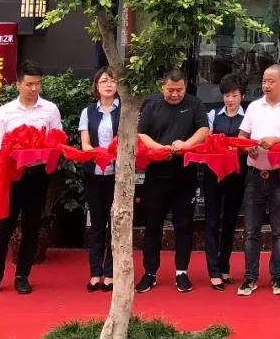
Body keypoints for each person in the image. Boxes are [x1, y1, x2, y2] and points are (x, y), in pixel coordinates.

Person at [0, 60, 63, 298]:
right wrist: (10, 151)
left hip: (37, 174)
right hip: (11, 173)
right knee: (4, 227)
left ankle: (22, 276)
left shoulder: (50, 109)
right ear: (18, 84)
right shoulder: (6, 111)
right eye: (29, 84)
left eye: (38, 84)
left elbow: (57, 135)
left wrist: (48, 148)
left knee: (31, 225)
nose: (34, 88)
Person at [136, 69, 210, 293]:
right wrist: (160, 149)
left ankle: (182, 271)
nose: (175, 94)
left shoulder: (195, 104)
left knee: (184, 225)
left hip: (185, 174)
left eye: (179, 90)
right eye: (170, 90)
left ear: (185, 87)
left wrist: (186, 144)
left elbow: (204, 130)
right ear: (163, 87)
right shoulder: (152, 105)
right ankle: (150, 272)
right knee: (153, 225)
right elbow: (141, 134)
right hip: (156, 174)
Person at [236, 64, 280, 297]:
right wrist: (247, 148)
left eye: (271, 81)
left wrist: (277, 140)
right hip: (255, 175)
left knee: (279, 231)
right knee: (251, 230)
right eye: (264, 81)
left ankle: (277, 277)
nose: (266, 85)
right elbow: (242, 136)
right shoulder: (254, 107)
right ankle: (250, 277)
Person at [203, 73, 247, 290]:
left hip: (236, 174)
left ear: (242, 96)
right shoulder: (213, 116)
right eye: (227, 95)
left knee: (230, 220)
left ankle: (224, 266)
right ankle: (213, 271)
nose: (230, 99)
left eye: (234, 95)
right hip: (213, 174)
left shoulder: (248, 118)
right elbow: (206, 141)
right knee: (212, 220)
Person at [79, 67, 120, 292]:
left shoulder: (124, 110)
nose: (108, 85)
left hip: (117, 175)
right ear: (96, 86)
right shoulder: (88, 112)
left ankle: (111, 273)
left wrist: (112, 155)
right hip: (94, 173)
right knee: (96, 225)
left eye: (112, 81)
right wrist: (100, 154)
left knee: (115, 224)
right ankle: (95, 272)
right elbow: (85, 144)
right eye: (104, 81)